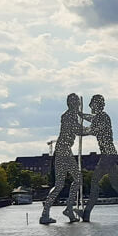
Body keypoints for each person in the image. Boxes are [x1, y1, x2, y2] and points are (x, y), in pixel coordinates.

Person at [79, 94, 118, 222]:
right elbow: (90, 118)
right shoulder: (100, 117)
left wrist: (77, 130)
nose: (90, 107)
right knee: (115, 183)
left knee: (94, 182)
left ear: (97, 105)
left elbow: (90, 130)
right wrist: (80, 114)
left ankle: (87, 213)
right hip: (109, 153)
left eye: (92, 104)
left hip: (107, 155)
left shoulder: (103, 117)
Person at [40, 93, 85, 224]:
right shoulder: (69, 116)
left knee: (61, 184)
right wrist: (94, 129)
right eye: (77, 103)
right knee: (77, 179)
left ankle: (49, 213)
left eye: (78, 103)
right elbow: (78, 130)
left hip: (63, 150)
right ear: (72, 104)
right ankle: (68, 209)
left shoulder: (69, 115)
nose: (78, 105)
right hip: (63, 151)